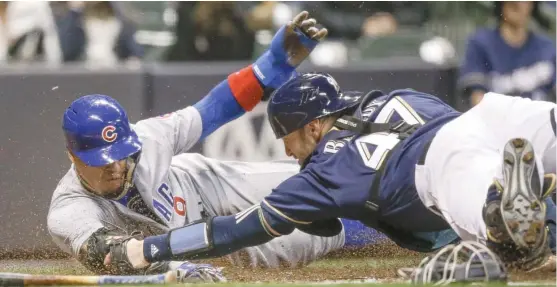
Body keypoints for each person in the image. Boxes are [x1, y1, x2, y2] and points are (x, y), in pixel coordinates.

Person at [109, 72, 556, 273]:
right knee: (536, 143)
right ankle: (540, 204)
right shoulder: (397, 95)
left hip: (440, 167)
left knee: (511, 237)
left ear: (315, 126)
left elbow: (235, 230)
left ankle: (514, 216)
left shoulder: (324, 172)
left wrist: (149, 248)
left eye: (288, 136)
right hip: (485, 118)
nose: (286, 149)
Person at [47, 11, 361, 281]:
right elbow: (109, 254)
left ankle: (402, 211)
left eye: (120, 154)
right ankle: (383, 235)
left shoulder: (148, 138)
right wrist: (172, 267)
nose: (116, 165)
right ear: (73, 156)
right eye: (103, 160)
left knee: (328, 183)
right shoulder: (68, 208)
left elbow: (213, 109)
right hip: (195, 245)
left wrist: (269, 67)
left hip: (208, 183)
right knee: (309, 238)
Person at [459, 1, 556, 106]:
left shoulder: (546, 47)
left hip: (541, 119)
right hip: (496, 119)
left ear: (533, 4)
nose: (517, 4)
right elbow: (477, 100)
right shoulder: (481, 43)